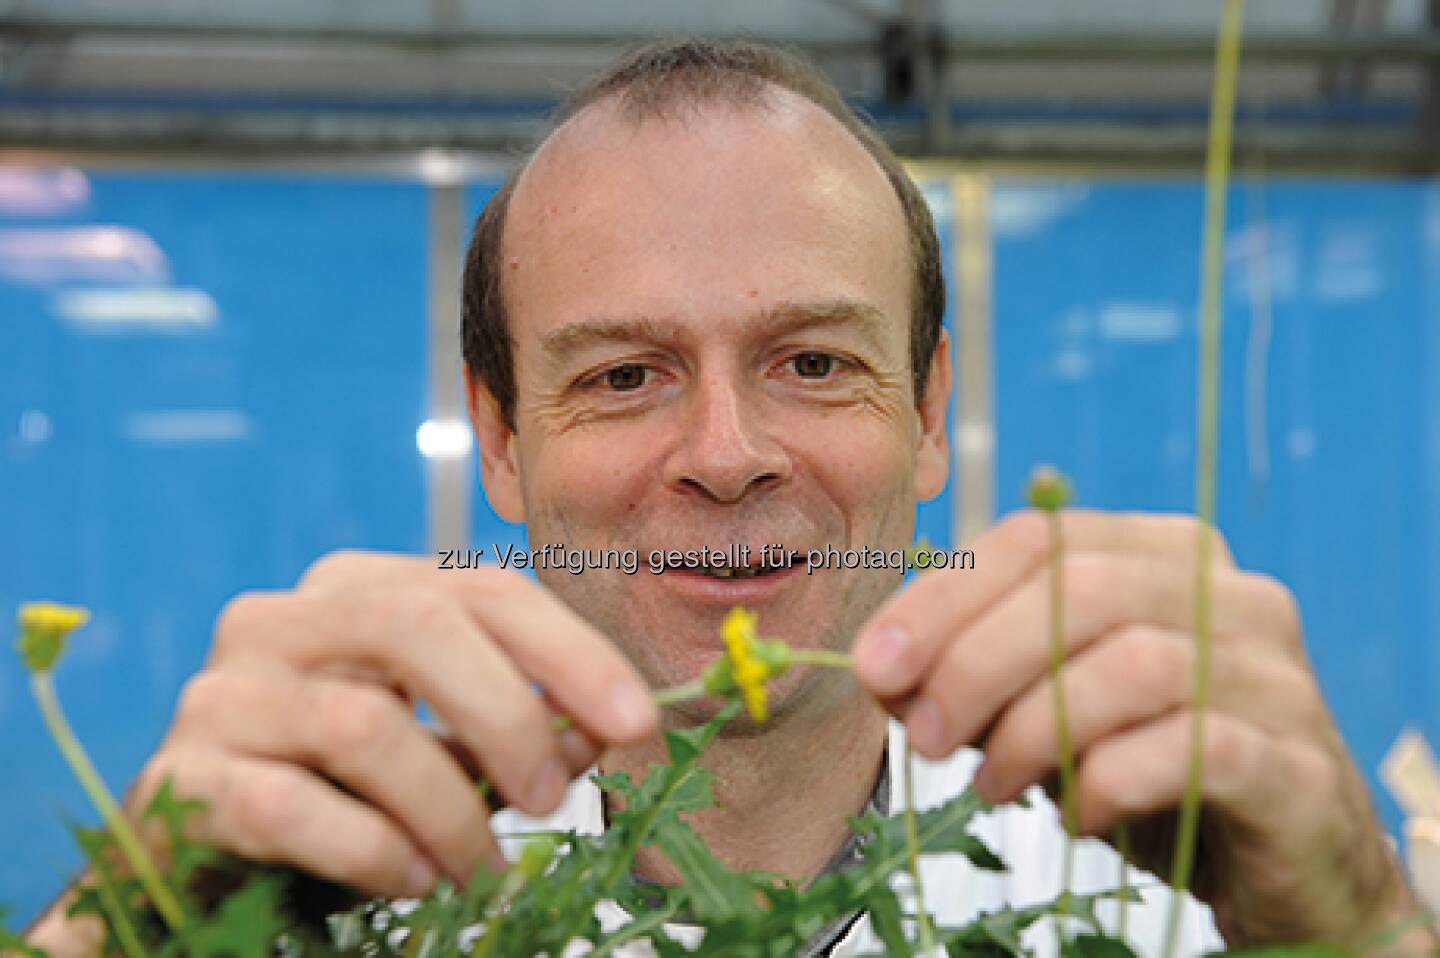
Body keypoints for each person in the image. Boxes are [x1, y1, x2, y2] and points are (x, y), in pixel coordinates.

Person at [26, 38, 1434, 957]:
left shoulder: (1164, 888)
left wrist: (1371, 924)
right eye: (625, 376)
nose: (723, 448)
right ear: (500, 442)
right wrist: (116, 921)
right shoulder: (343, 891)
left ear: (930, 414)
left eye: (812, 360)